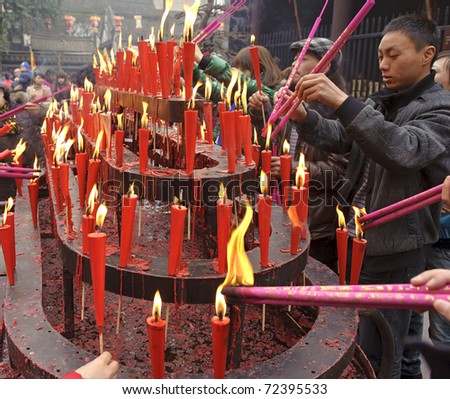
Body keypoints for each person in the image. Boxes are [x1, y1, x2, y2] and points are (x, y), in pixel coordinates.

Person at [287, 15, 450, 378]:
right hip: (358, 235)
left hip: (394, 245)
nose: (383, 65)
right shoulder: (383, 101)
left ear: (428, 54)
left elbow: (403, 150)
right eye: (380, 56)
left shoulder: (439, 108)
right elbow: (343, 139)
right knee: (378, 339)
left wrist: (344, 102)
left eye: (393, 55)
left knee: (378, 348)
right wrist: (305, 117)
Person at [249, 38, 348, 270]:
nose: (294, 63)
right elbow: (266, 141)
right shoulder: (289, 99)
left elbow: (339, 171)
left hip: (315, 222)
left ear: (324, 66)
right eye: (294, 57)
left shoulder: (339, 110)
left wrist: (293, 169)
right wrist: (259, 113)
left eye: (302, 58)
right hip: (282, 210)